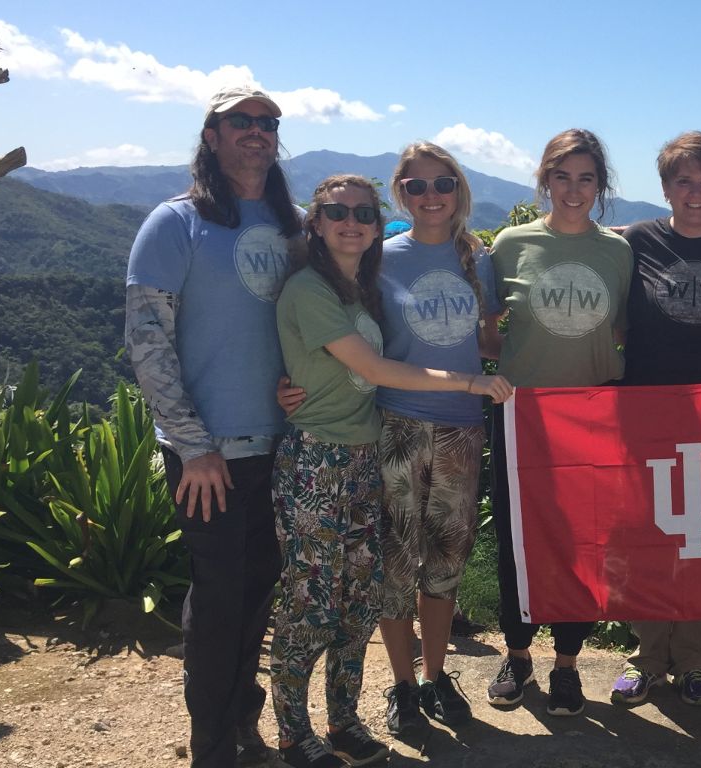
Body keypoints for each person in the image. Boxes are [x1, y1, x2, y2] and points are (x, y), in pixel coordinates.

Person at [269, 174, 511, 768]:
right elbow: (374, 369)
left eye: (362, 213)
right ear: (316, 222)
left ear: (379, 226)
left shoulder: (362, 288)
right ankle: (295, 734)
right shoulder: (309, 289)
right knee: (311, 602)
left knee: (355, 601)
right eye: (335, 212)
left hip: (362, 453)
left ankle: (345, 720)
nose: (349, 221)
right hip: (317, 461)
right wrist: (471, 382)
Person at [124, 86, 302, 768]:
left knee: (258, 592)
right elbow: (147, 340)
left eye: (267, 122)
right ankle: (212, 748)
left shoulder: (295, 222)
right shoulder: (174, 223)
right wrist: (193, 446)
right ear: (212, 134)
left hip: (281, 448)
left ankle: (241, 724)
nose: (256, 131)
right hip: (211, 456)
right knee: (222, 598)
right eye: (241, 121)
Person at [608, 131, 701, 708]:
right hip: (645, 409)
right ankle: (646, 659)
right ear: (666, 187)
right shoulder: (638, 240)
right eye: (683, 181)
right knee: (649, 536)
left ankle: (696, 662)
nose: (695, 192)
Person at [486, 129, 633, 718]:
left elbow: (621, 327)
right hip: (521, 415)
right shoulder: (509, 243)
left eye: (587, 178)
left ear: (601, 186)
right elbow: (487, 326)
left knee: (583, 543)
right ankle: (517, 654)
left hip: (594, 417)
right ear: (545, 179)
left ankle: (567, 664)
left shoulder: (618, 252)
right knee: (516, 540)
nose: (574, 190)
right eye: (563, 176)